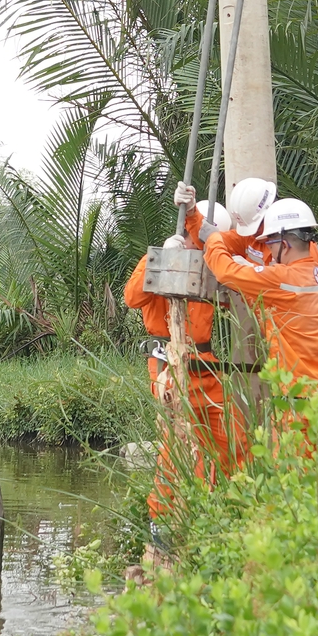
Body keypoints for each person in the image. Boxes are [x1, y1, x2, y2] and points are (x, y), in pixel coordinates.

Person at [202, 193, 318, 465]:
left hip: (303, 394)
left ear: (283, 243)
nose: (268, 248)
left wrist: (212, 239)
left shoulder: (282, 279)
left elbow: (226, 272)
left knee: (294, 468)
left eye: (270, 242)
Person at [121, 188, 234, 527]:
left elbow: (229, 297)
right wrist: (161, 261)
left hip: (205, 361)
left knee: (225, 437)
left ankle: (216, 507)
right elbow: (131, 297)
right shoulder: (160, 259)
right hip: (167, 361)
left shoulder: (211, 264)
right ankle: (164, 519)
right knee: (178, 441)